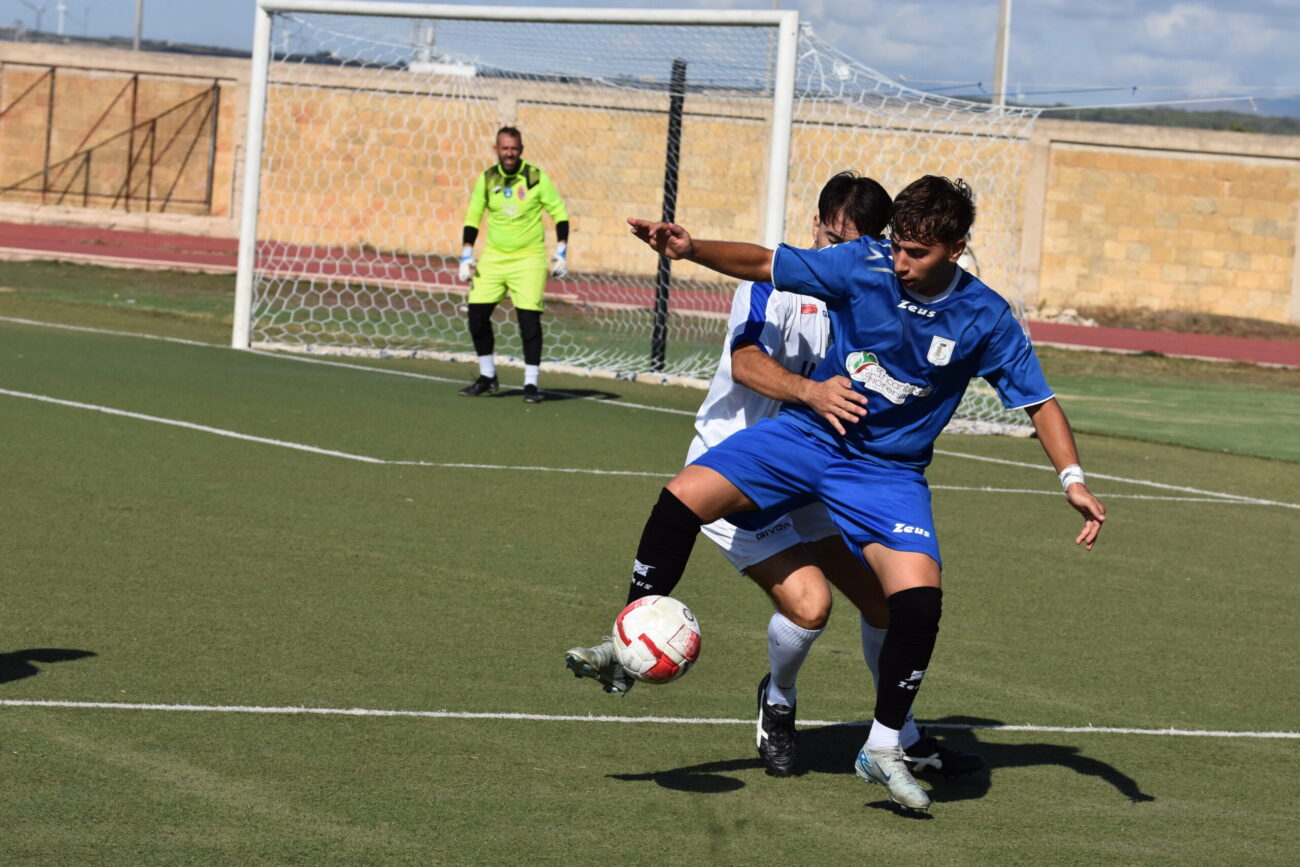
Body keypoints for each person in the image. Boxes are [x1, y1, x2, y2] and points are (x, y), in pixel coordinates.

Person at [582, 176, 1106, 813]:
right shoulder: (866, 263)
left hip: (887, 475)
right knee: (682, 496)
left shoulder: (985, 317)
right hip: (810, 436)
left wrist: (1072, 480)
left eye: (918, 253)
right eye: (899, 247)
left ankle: (885, 745)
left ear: (957, 247)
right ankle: (629, 630)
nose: (901, 263)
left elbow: (1038, 401)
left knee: (915, 602)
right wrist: (689, 248)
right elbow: (764, 262)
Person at [456, 126, 570, 404]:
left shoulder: (534, 177)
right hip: (494, 257)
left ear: (521, 150)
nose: (509, 153)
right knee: (476, 316)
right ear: (496, 150)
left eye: (514, 148)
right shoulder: (487, 178)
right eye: (504, 148)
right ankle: (487, 376)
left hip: (528, 258)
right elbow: (473, 216)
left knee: (529, 322)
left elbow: (560, 213)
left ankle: (531, 384)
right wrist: (466, 256)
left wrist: (562, 251)